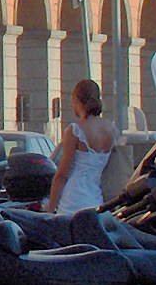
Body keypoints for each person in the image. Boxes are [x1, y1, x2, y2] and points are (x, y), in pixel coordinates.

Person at [48, 79, 114, 215]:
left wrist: (50, 209)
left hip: (73, 200)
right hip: (96, 199)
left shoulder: (75, 131)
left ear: (77, 100)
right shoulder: (110, 129)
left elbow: (61, 175)